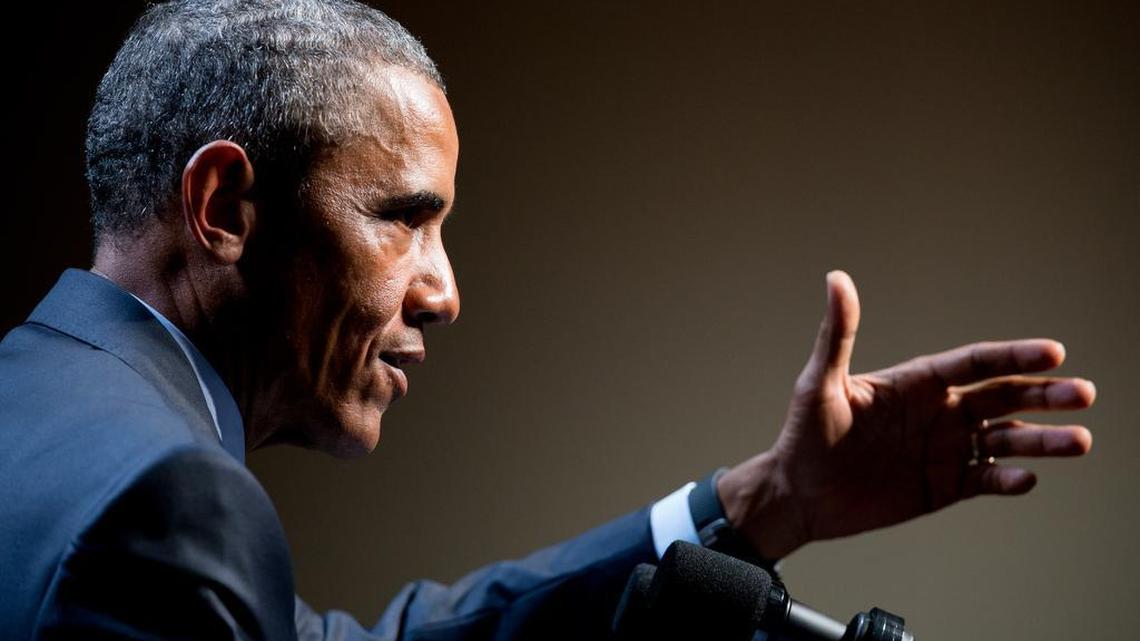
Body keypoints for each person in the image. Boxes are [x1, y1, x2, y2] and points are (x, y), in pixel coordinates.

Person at [0, 1, 1096, 639]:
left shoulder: (37, 401)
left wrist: (765, 501)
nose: (443, 290)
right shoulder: (171, 505)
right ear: (226, 207)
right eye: (404, 219)